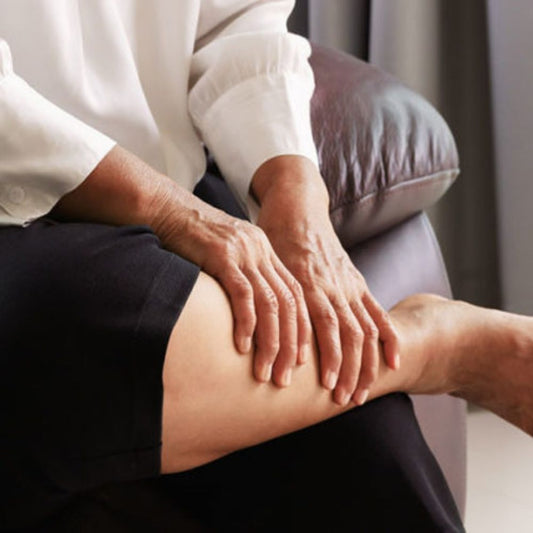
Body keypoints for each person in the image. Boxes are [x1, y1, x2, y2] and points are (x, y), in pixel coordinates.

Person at [0, 1, 531, 531]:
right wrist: (168, 211)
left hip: (161, 179)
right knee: (111, 319)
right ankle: (434, 347)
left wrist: (295, 197)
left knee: (356, 436)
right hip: (19, 213)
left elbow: (238, 23)